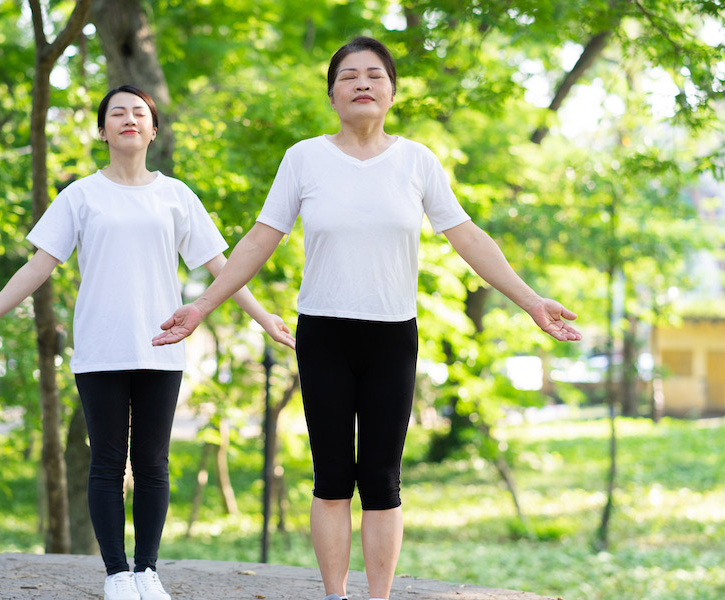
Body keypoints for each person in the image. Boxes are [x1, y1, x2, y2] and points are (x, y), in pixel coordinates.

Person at [151, 38, 582, 600]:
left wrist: (531, 302)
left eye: (375, 75)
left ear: (392, 92)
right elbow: (261, 238)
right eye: (349, 75)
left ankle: (377, 597)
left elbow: (467, 237)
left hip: (391, 334)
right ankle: (336, 595)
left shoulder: (417, 160)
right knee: (331, 476)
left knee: (381, 479)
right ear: (332, 94)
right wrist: (203, 306)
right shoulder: (304, 158)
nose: (362, 83)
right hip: (324, 332)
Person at [0, 84, 295, 600]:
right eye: (117, 113)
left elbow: (221, 268)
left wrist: (264, 318)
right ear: (102, 130)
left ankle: (147, 571)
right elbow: (38, 266)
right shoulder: (80, 195)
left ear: (153, 130)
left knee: (152, 463)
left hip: (162, 347)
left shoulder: (176, 195)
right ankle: (116, 575)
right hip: (101, 349)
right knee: (107, 462)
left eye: (140, 113)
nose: (129, 119)